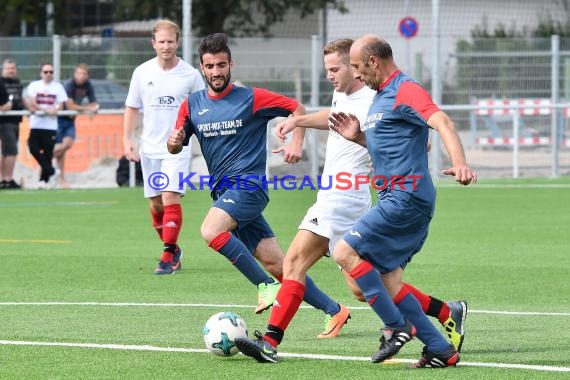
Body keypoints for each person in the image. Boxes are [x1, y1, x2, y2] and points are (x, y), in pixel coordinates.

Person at [234, 39, 468, 363]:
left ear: (365, 64)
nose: (334, 74)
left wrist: (457, 161)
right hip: (372, 196)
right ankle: (443, 321)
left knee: (296, 263)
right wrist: (311, 124)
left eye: (341, 68)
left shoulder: (387, 93)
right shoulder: (361, 95)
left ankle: (273, 343)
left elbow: (431, 128)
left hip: (356, 197)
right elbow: (350, 122)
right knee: (374, 285)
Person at [167, 33, 351, 334]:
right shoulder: (191, 105)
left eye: (222, 65)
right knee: (281, 265)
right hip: (225, 192)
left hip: (249, 187)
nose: (216, 72)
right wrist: (173, 142)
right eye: (210, 66)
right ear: (202, 67)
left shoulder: (251, 98)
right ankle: (335, 310)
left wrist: (296, 142)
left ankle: (266, 286)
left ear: (231, 65)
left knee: (211, 230)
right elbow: (175, 145)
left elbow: (297, 109)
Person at [327, 35, 476, 368]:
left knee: (344, 251)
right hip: (396, 197)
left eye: (356, 66)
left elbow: (442, 122)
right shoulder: (380, 98)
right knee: (387, 283)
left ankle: (396, 327)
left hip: (405, 197)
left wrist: (461, 161)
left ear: (374, 61)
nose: (356, 73)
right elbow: (399, 146)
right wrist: (359, 138)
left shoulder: (406, 88)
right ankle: (440, 348)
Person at [123, 19, 205, 275]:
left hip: (177, 148)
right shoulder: (142, 72)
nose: (166, 46)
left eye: (171, 41)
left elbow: (202, 109)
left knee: (170, 196)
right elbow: (132, 108)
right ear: (153, 43)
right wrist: (127, 140)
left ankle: (168, 254)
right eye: (162, 41)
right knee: (156, 205)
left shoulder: (191, 75)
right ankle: (173, 248)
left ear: (178, 43)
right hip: (149, 148)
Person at [53, 63, 99, 188]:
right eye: (78, 73)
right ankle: (61, 179)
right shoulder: (69, 84)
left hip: (70, 120)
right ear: (74, 74)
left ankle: (46, 161)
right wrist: (87, 109)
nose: (81, 76)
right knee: (61, 150)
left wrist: (92, 107)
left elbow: (94, 103)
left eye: (83, 74)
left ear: (87, 75)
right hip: (59, 119)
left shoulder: (88, 85)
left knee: (66, 145)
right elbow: (69, 106)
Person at [25, 63, 69, 189]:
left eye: (51, 72)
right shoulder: (34, 85)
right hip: (36, 124)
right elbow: (32, 103)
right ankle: (52, 171)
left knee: (48, 154)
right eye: (46, 72)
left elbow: (60, 106)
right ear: (41, 73)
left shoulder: (58, 87)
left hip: (50, 126)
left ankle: (44, 180)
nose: (48, 74)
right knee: (33, 148)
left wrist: (53, 110)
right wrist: (46, 111)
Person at [0, 59, 26, 189]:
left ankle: (4, 180)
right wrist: (2, 108)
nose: (11, 70)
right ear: (3, 69)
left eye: (13, 68)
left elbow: (20, 99)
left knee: (7, 152)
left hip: (16, 120)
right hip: (5, 122)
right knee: (11, 151)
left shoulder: (17, 82)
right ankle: (7, 179)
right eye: (8, 68)